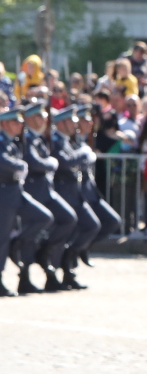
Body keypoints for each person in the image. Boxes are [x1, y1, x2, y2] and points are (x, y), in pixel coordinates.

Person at [18, 102, 75, 294]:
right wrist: (51, 163)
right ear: (31, 119)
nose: (44, 120)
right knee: (32, 234)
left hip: (47, 191)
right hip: (34, 192)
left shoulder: (40, 138)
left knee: (68, 219)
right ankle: (25, 273)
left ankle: (46, 254)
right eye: (39, 116)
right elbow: (34, 162)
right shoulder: (27, 138)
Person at [50, 105, 104, 289]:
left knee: (91, 225)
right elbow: (66, 162)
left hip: (75, 192)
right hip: (63, 191)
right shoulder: (56, 140)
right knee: (67, 231)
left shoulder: (67, 140)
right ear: (62, 123)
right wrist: (84, 154)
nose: (76, 124)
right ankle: (58, 269)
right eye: (71, 121)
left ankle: (69, 261)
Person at [0, 103, 31, 296]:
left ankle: (18, 247)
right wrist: (20, 165)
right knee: (2, 238)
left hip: (14, 192)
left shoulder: (11, 140)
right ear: (4, 123)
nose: (20, 125)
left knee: (43, 217)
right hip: (4, 193)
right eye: (15, 122)